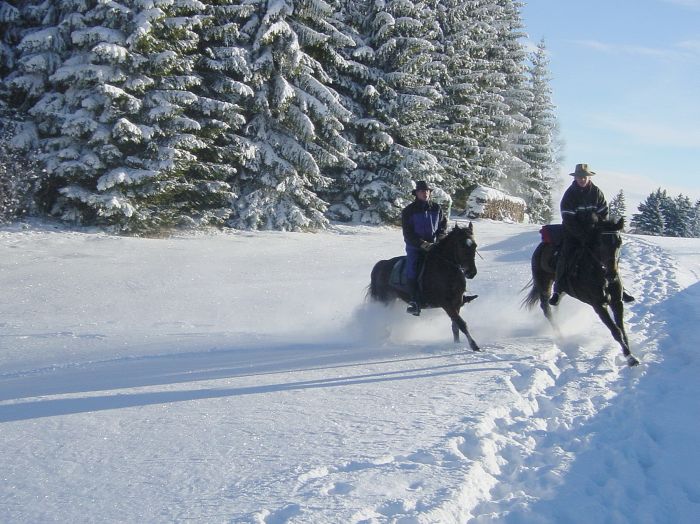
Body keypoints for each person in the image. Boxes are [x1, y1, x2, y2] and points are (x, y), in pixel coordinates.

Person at [549, 163, 634, 306]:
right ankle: (558, 289)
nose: (582, 179)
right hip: (573, 233)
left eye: (584, 177)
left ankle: (619, 289)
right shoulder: (569, 195)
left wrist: (600, 229)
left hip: (593, 232)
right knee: (566, 254)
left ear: (589, 177)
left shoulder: (597, 193)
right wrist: (581, 235)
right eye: (579, 177)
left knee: (609, 255)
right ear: (575, 178)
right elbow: (568, 219)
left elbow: (603, 214)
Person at [401, 180, 447, 315]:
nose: (425, 193)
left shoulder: (437, 208)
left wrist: (440, 239)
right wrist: (422, 244)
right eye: (422, 191)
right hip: (415, 248)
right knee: (412, 270)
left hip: (434, 246)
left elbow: (442, 226)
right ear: (416, 193)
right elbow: (408, 233)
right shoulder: (409, 211)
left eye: (427, 191)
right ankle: (414, 301)